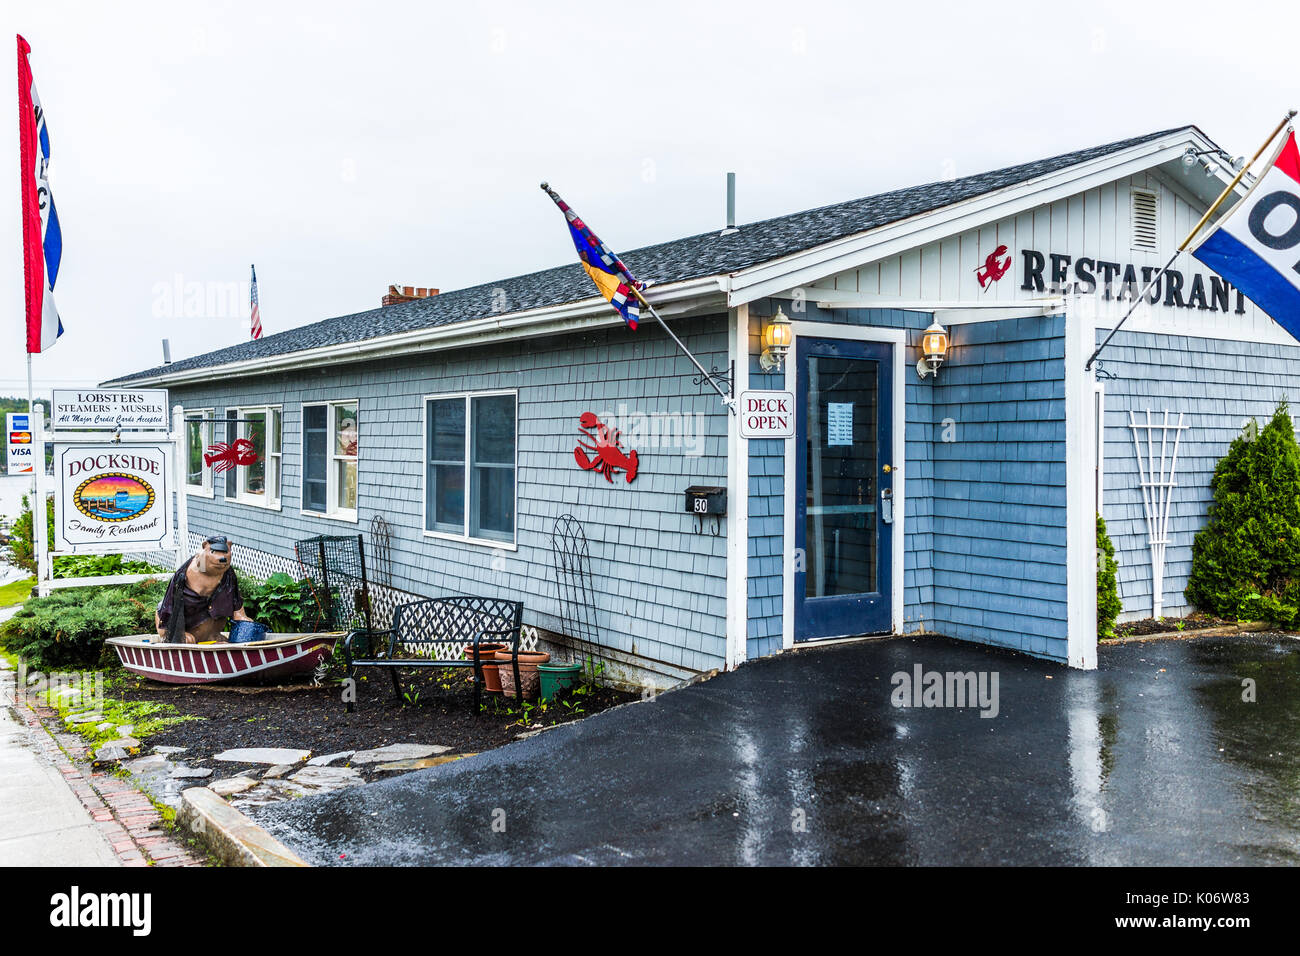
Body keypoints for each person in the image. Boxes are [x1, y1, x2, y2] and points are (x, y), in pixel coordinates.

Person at [155, 534, 254, 643]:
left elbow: (235, 596)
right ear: (204, 547)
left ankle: (212, 635)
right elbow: (171, 604)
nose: (221, 558)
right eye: (213, 552)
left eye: (225, 552)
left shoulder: (227, 573)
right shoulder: (192, 570)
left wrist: (240, 614)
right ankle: (176, 634)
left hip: (210, 628)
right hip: (187, 625)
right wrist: (177, 632)